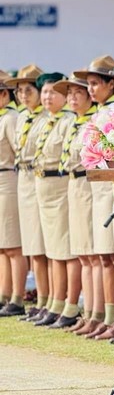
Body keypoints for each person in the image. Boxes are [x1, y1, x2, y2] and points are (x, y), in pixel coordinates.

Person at [81, 59, 114, 340]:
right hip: (95, 188)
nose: (91, 88)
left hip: (111, 188)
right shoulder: (98, 112)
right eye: (90, 84)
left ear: (111, 84)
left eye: (97, 83)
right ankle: (106, 316)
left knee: (111, 256)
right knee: (100, 255)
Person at [53, 77, 96, 330]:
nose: (72, 97)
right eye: (69, 93)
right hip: (72, 184)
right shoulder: (71, 122)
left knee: (94, 253)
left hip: (88, 184)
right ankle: (88, 313)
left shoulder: (94, 119)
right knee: (83, 252)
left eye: (78, 92)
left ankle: (98, 313)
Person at [31, 73, 74, 328]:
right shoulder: (45, 121)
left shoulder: (69, 121)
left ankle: (65, 303)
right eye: (44, 92)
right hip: (42, 185)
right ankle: (50, 301)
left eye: (52, 93)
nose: (47, 97)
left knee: (63, 251)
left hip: (60, 186)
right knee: (49, 250)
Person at [10, 65, 48, 321]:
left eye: (29, 90)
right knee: (32, 245)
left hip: (40, 179)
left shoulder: (47, 118)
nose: (24, 96)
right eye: (20, 91)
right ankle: (41, 299)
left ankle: (47, 299)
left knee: (43, 245)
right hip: (22, 178)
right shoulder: (23, 117)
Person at [0, 74, 28, 317]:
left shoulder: (10, 118)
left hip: (6, 179)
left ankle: (18, 297)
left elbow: (20, 151)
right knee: (1, 246)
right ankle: (4, 293)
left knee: (12, 244)